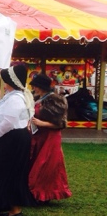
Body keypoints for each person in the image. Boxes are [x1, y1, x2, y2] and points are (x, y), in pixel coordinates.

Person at [0, 64, 35, 216]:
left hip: (12, 138)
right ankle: (2, 202)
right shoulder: (12, 96)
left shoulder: (16, 99)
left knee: (9, 171)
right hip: (11, 138)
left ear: (11, 82)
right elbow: (2, 112)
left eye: (6, 81)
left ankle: (15, 209)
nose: (4, 84)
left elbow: (8, 123)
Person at [29, 73, 72, 203]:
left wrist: (42, 123)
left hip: (50, 137)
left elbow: (60, 123)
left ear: (42, 87)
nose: (34, 88)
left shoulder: (55, 99)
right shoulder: (38, 98)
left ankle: (44, 194)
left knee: (46, 165)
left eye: (36, 86)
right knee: (36, 163)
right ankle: (35, 192)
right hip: (39, 136)